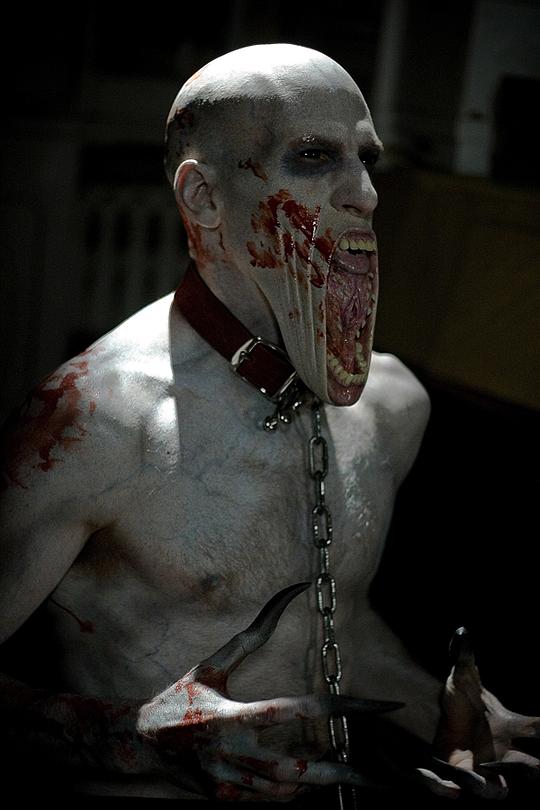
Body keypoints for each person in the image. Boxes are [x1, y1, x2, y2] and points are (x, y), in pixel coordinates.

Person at [1, 44, 538, 804]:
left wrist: (437, 709)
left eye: (366, 159)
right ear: (204, 197)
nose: (365, 194)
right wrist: (125, 735)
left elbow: (334, 627)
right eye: (314, 157)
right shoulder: (90, 424)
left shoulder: (392, 406)